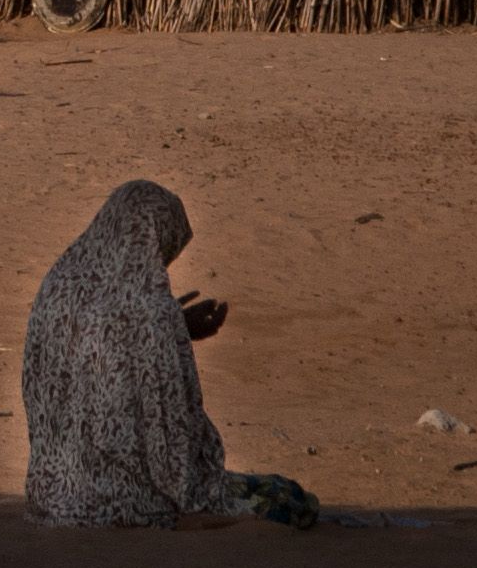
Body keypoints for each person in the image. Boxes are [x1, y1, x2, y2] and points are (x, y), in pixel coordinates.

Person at [20, 179, 316, 528]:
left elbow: (100, 344)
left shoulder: (60, 282)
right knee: (289, 499)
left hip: (50, 493)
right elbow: (171, 439)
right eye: (165, 251)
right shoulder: (150, 312)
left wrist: (175, 330)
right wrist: (171, 331)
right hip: (123, 502)